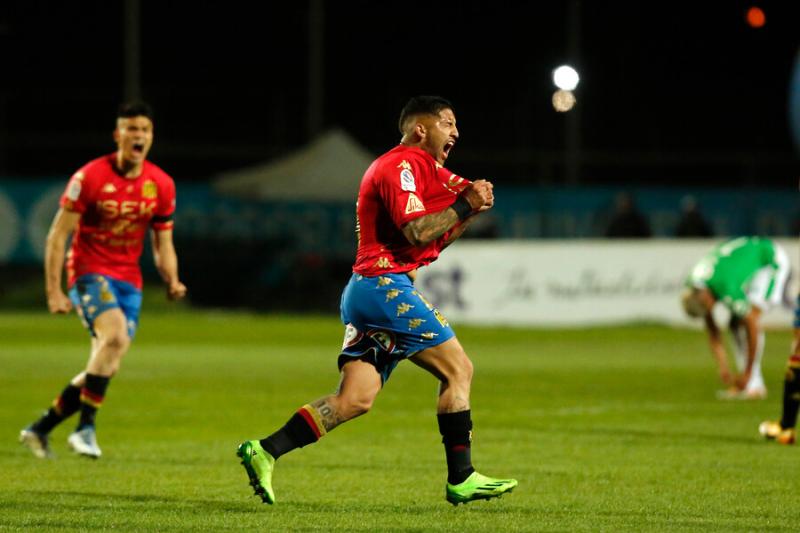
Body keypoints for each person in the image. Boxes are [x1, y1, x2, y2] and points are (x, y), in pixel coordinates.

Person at [236, 96, 517, 506]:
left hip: (368, 290)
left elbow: (435, 237)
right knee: (459, 370)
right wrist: (464, 203)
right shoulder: (400, 165)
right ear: (421, 128)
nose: (455, 132)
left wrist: (469, 208)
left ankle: (265, 450)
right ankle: (462, 477)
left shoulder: (424, 171)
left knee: (355, 399)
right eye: (447, 123)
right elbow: (418, 232)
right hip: (384, 286)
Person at [19, 102, 187, 459]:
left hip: (130, 282)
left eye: (144, 129)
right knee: (114, 337)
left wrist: (172, 280)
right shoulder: (90, 177)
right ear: (118, 135)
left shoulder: (160, 184)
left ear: (151, 136)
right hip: (88, 272)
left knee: (106, 361)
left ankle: (41, 428)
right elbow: (57, 235)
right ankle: (85, 429)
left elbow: (163, 242)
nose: (138, 135)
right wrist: (54, 291)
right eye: (131, 128)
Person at [681, 236, 791, 400]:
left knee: (747, 319)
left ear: (707, 300)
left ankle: (753, 384)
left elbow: (752, 325)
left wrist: (747, 372)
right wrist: (722, 366)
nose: (711, 312)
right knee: (735, 324)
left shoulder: (725, 286)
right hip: (750, 256)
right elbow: (713, 330)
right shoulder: (696, 286)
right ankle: (751, 384)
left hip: (770, 260)